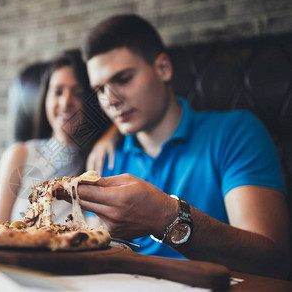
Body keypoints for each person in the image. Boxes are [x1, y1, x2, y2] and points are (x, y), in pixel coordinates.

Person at [58, 14, 290, 278]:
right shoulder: (105, 159)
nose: (111, 100)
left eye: (123, 79)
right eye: (100, 89)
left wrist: (167, 217)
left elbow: (273, 263)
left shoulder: (235, 133)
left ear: (163, 68)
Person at [0, 50, 110, 224]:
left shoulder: (100, 160)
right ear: (46, 98)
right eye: (58, 92)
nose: (66, 102)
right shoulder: (19, 154)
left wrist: (111, 135)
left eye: (78, 93)